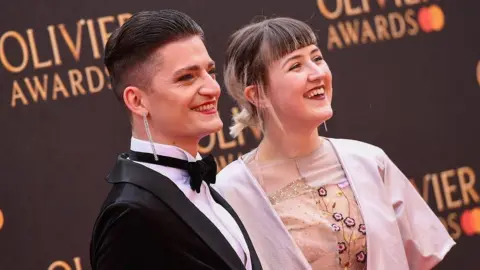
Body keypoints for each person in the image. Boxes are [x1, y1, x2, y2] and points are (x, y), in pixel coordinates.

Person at [213, 17, 455, 270]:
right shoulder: (230, 192)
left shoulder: (369, 161)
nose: (317, 73)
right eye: (295, 66)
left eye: (317, 58)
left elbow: (422, 256)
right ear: (257, 94)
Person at [89, 10, 261, 270]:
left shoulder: (203, 187)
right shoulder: (129, 216)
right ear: (137, 101)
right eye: (187, 77)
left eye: (210, 72)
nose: (213, 88)